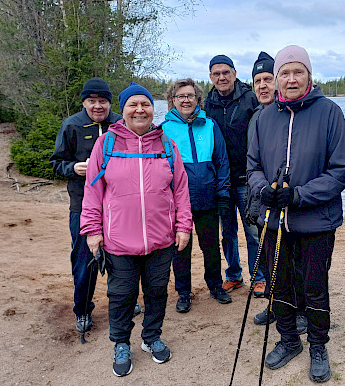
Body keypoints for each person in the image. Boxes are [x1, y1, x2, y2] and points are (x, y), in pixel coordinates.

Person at [247, 45, 345, 383]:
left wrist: (299, 195)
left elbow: (340, 171)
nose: (291, 79)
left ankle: (318, 345)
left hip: (315, 221)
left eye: (298, 72)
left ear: (309, 75)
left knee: (315, 287)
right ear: (277, 78)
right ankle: (289, 339)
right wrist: (263, 190)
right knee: (279, 285)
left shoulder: (330, 112)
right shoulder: (264, 118)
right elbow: (252, 167)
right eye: (285, 73)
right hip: (274, 221)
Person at [80, 82, 193, 377]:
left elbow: (181, 189)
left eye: (145, 104)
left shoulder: (166, 145)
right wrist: (92, 230)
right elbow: (92, 191)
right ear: (124, 110)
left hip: (161, 239)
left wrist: (183, 226)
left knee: (157, 291)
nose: (140, 110)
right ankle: (121, 343)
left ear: (153, 109)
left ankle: (151, 337)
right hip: (119, 241)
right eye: (133, 104)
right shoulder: (105, 145)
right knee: (122, 295)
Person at [50, 77, 136, 333]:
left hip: (119, 204)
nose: (98, 106)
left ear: (110, 102)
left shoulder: (121, 123)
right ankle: (83, 310)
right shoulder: (71, 125)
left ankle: (125, 301)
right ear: (84, 102)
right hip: (83, 205)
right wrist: (72, 168)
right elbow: (56, 162)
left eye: (102, 101)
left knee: (123, 259)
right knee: (84, 259)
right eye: (92, 101)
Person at [247, 52, 307, 335]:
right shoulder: (257, 117)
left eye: (267, 79)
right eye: (257, 81)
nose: (263, 86)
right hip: (262, 200)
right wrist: (257, 195)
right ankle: (277, 305)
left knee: (296, 262)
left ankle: (301, 309)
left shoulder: (293, 115)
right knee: (271, 258)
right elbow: (253, 162)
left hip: (291, 204)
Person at [162, 78, 232, 312]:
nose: (186, 100)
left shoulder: (210, 125)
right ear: (173, 100)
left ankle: (215, 286)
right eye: (181, 96)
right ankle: (184, 292)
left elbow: (222, 160)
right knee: (181, 248)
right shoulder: (163, 130)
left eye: (190, 96)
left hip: (207, 197)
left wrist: (222, 192)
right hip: (178, 202)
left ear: (197, 99)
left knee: (211, 246)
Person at [204, 55, 260, 294]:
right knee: (227, 233)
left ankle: (258, 277)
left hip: (247, 179)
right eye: (216, 74)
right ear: (211, 77)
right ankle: (234, 275)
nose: (222, 77)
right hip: (222, 181)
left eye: (226, 72)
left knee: (253, 232)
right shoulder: (206, 104)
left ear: (235, 74)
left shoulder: (250, 98)